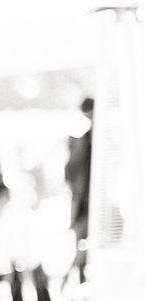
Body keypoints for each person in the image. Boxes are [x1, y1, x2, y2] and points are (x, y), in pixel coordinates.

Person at [64, 96, 93, 283]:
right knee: (81, 256)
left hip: (93, 205)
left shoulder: (101, 139)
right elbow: (70, 173)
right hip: (83, 205)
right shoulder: (81, 142)